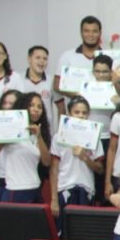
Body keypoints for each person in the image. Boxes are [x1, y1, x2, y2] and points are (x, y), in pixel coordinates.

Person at [0, 91, 51, 203]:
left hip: (36, 189)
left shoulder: (40, 133)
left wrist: (39, 137)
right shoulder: (10, 130)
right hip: (15, 190)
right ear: (22, 107)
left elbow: (46, 162)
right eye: (31, 105)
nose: (36, 109)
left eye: (39, 106)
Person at [50, 95, 104, 225]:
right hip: (64, 188)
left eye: (84, 113)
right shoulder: (58, 137)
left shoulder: (95, 138)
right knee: (65, 231)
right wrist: (54, 199)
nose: (81, 115)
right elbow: (54, 170)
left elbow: (100, 169)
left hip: (86, 190)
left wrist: (85, 157)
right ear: (69, 113)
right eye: (77, 112)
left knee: (82, 231)